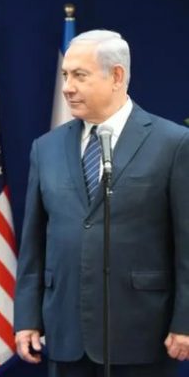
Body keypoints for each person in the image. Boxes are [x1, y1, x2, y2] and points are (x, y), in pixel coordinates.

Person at [14, 29, 189, 376]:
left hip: (143, 332)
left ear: (117, 76)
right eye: (65, 75)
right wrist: (27, 318)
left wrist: (185, 321)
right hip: (66, 331)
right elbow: (33, 242)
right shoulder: (45, 148)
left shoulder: (173, 144)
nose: (67, 87)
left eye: (80, 75)